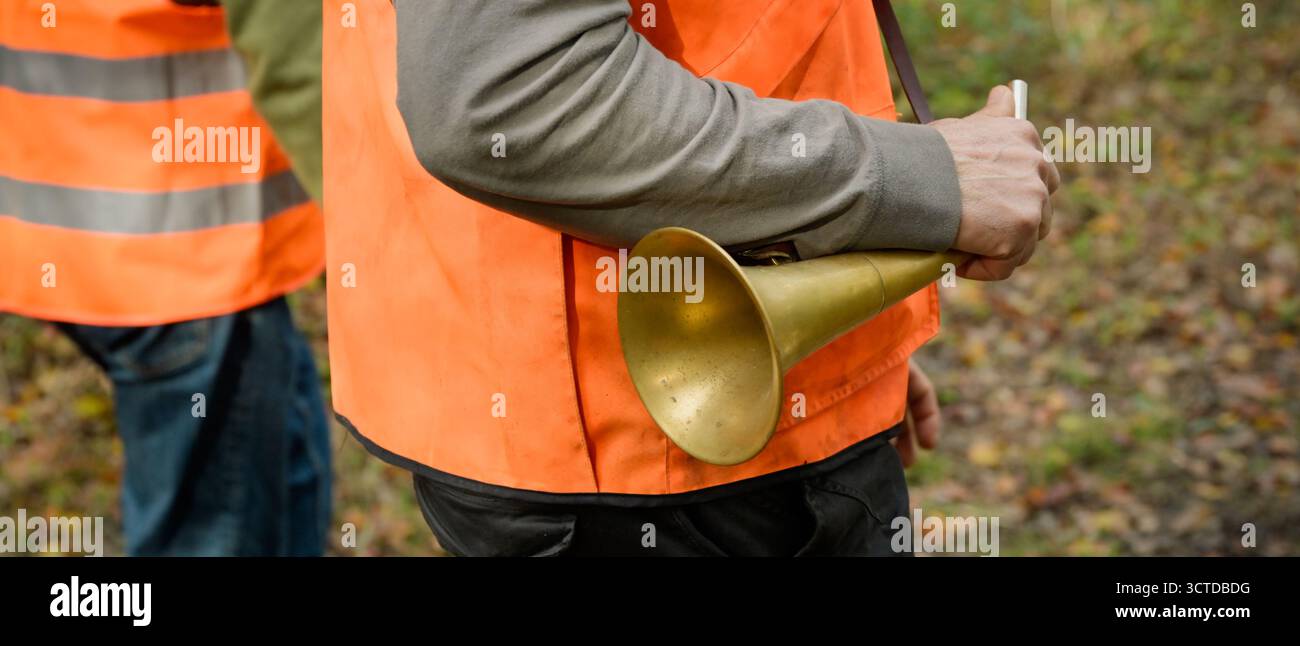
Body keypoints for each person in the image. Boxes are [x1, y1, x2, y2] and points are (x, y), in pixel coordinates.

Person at [322, 0, 1059, 555]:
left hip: (702, 391)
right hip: (651, 454)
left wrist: (838, 307)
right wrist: (921, 182)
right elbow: (508, 99)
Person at [0, 0, 330, 556]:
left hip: (60, 204)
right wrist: (384, 227)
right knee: (213, 530)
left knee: (282, 457)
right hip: (189, 249)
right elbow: (295, 61)